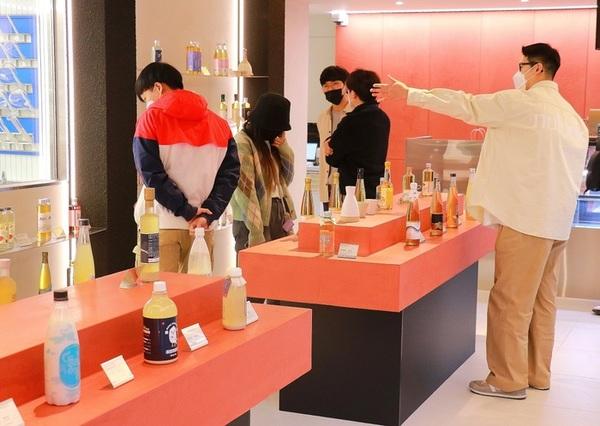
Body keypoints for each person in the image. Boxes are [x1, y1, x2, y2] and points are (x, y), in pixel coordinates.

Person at [372, 43, 589, 400]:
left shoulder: (524, 104)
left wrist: (410, 94)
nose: (518, 72)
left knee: (509, 302)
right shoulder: (570, 116)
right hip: (557, 222)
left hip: (526, 219)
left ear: (537, 68)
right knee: (541, 301)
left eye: (521, 65)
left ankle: (507, 380)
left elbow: (467, 104)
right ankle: (537, 373)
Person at [132, 62, 240, 272]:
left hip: (159, 226)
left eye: (146, 98)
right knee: (197, 292)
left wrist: (185, 210)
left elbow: (151, 175)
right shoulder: (219, 124)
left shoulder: (150, 119)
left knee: (155, 289)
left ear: (158, 88)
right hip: (202, 230)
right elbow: (230, 176)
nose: (148, 104)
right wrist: (207, 214)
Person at [231, 93, 296, 252]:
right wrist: (256, 231)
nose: (279, 133)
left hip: (278, 212)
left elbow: (286, 179)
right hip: (251, 218)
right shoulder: (242, 142)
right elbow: (245, 190)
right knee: (254, 266)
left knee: (280, 264)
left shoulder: (269, 143)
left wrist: (284, 148)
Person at [325, 69, 390, 198]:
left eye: (348, 91)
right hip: (377, 188)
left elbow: (333, 158)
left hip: (352, 190)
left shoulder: (350, 121)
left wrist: (328, 145)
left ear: (353, 93)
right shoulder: (383, 118)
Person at [317, 65, 352, 204]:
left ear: (346, 86)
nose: (330, 89)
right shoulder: (322, 117)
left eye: (335, 84)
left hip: (349, 186)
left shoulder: (355, 114)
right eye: (326, 86)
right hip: (328, 186)